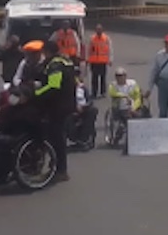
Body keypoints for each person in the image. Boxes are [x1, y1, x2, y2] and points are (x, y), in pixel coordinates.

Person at [32, 43, 78, 181]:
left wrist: (35, 94)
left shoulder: (55, 65)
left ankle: (60, 170)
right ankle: (58, 168)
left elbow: (53, 86)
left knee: (56, 138)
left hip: (58, 107)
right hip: (67, 104)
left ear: (46, 52)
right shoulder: (66, 61)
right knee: (58, 138)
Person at [86, 25, 113, 99]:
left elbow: (110, 49)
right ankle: (94, 93)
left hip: (102, 61)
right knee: (94, 78)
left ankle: (103, 92)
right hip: (94, 61)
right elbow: (88, 49)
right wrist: (87, 59)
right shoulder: (92, 38)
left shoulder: (106, 38)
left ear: (102, 30)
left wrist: (110, 59)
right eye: (97, 30)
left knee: (103, 78)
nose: (99, 31)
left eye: (100, 30)